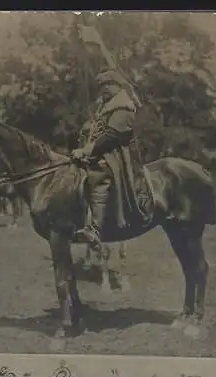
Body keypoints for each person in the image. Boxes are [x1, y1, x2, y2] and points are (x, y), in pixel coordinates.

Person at [72, 69, 137, 248]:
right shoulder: (103, 106)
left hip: (114, 155)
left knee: (99, 176)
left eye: (109, 85)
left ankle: (95, 229)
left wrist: (86, 150)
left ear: (118, 85)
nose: (104, 89)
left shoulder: (124, 106)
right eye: (101, 86)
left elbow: (111, 135)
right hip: (99, 152)